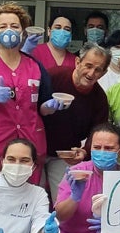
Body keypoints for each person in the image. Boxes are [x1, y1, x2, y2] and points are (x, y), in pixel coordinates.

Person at [0, 2, 62, 184]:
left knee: (26, 205)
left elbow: (43, 107)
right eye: (3, 26)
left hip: (28, 151)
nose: (9, 31)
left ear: (23, 32)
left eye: (14, 26)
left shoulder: (35, 66)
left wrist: (51, 105)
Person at [41, 43, 111, 201]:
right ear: (77, 62)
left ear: (104, 73)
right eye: (88, 66)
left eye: (98, 70)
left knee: (64, 198)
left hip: (64, 155)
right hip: (36, 147)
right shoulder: (53, 76)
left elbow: (97, 133)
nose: (91, 73)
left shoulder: (99, 98)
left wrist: (85, 151)